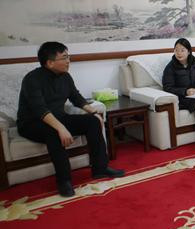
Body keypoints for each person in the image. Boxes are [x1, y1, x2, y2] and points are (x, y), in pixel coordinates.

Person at [17, 42, 124, 197]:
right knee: (54, 131)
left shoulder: (65, 77)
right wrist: (61, 128)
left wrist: (94, 113)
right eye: (64, 58)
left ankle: (100, 168)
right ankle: (64, 181)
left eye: (69, 57)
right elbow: (40, 110)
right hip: (31, 123)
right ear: (50, 62)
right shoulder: (32, 79)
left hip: (58, 118)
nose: (68, 61)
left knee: (93, 122)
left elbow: (76, 98)